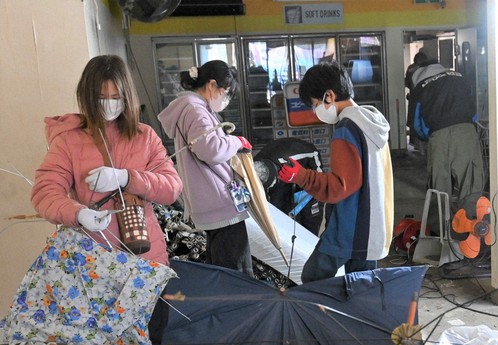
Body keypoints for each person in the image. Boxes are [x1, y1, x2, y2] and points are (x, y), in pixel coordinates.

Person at [32, 54, 182, 268]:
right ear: (88, 97)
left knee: (158, 301)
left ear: (127, 96)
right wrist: (79, 214)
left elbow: (172, 188)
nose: (109, 104)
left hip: (147, 256)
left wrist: (126, 178)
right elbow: (45, 192)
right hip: (94, 260)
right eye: (102, 97)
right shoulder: (68, 140)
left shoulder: (144, 136)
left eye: (116, 97)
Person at [276, 61, 393, 283]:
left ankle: (320, 318)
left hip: (348, 227)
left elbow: (341, 186)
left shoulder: (346, 129)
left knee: (313, 279)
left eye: (315, 103)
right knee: (361, 288)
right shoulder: (372, 124)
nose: (315, 110)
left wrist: (302, 176)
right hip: (373, 227)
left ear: (329, 95)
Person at [158, 60, 255, 276]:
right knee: (236, 276)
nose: (226, 100)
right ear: (212, 85)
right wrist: (237, 142)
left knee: (221, 271)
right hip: (219, 200)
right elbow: (210, 150)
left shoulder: (192, 108)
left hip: (210, 202)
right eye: (226, 92)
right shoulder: (195, 110)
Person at [407, 57, 485, 202]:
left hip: (439, 136)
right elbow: (473, 111)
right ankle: (470, 221)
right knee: (471, 181)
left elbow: (416, 123)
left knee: (439, 184)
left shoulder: (420, 86)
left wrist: (429, 136)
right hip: (466, 131)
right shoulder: (459, 78)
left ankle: (442, 222)